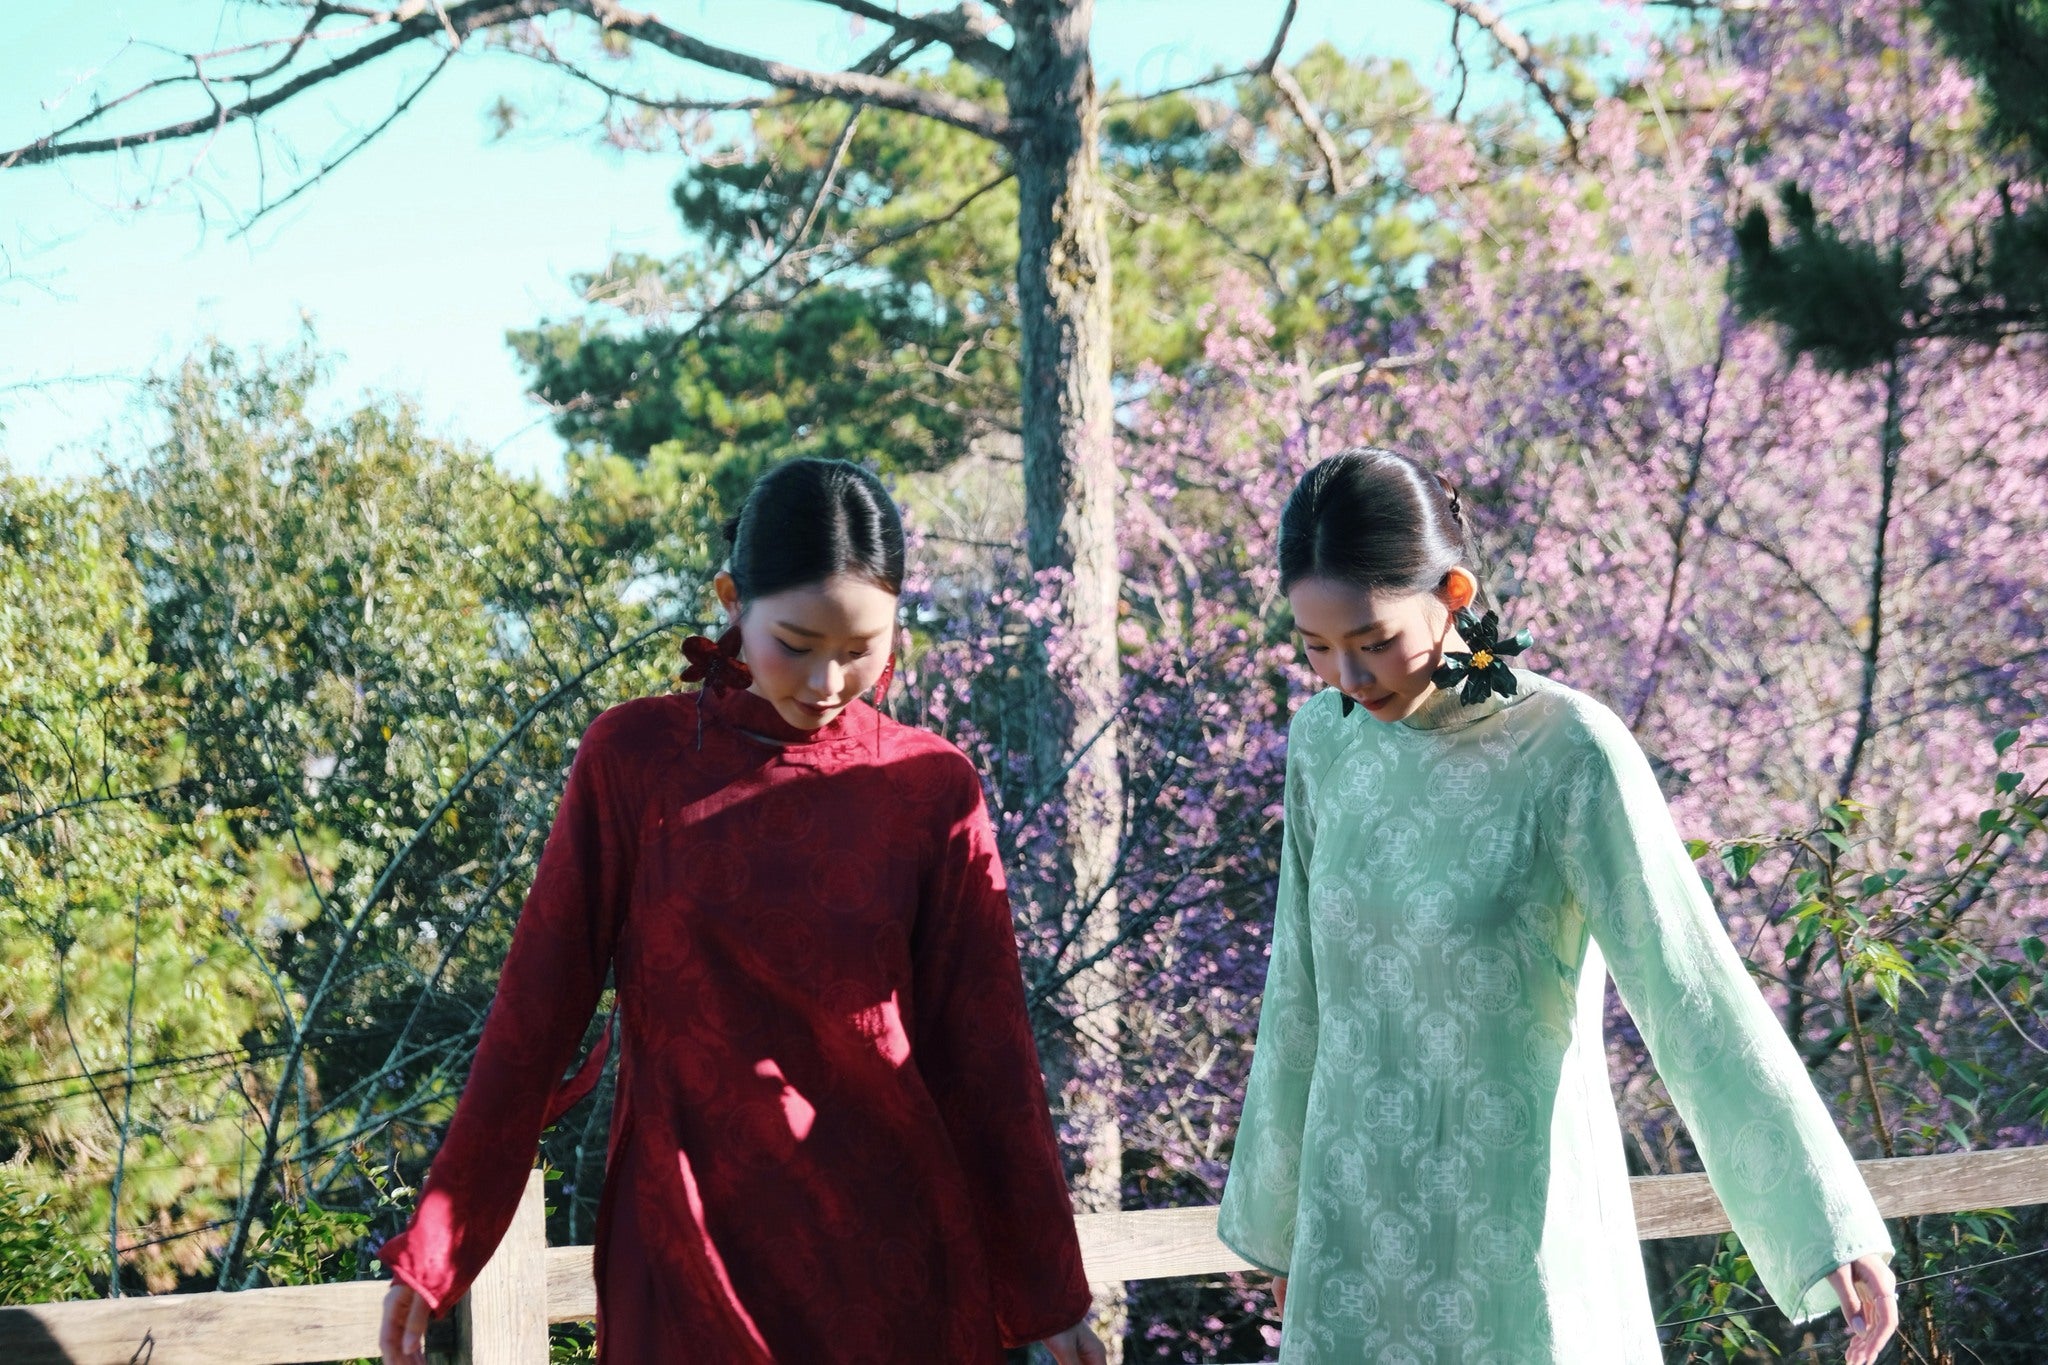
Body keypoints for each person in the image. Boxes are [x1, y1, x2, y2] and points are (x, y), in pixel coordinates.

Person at [376, 458, 1104, 1365]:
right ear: (731, 599)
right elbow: (535, 1010)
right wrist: (439, 1245)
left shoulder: (930, 786)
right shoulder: (634, 759)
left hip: (888, 1257)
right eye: (796, 642)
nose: (830, 679)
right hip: (685, 1244)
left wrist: (1048, 1289)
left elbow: (987, 1052)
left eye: (862, 646)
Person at [1215, 447, 1899, 1364]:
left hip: (1518, 1232)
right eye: (1315, 645)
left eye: (1373, 640)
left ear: (1454, 592)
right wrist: (1284, 1215)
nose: (1346, 675)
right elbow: (1298, 989)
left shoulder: (1569, 748)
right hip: (1353, 1237)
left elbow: (1688, 986)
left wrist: (1828, 1225)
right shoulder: (1323, 746)